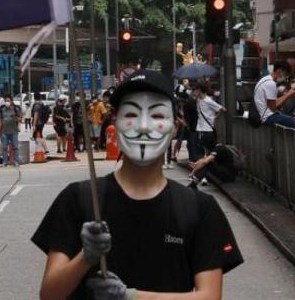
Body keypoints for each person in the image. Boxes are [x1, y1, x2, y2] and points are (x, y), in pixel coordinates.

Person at [33, 71, 243, 300]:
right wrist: (86, 256)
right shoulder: (79, 198)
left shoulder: (199, 208)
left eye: (157, 116)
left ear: (175, 126)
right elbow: (50, 295)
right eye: (131, 114)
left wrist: (132, 297)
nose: (144, 127)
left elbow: (210, 296)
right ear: (115, 123)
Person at [193, 83, 225, 156]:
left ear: (199, 90)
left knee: (206, 152)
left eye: (195, 90)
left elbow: (222, 109)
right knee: (201, 151)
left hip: (207, 130)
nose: (194, 92)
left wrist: (216, 117)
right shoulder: (198, 100)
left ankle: (208, 166)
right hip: (200, 129)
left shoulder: (208, 101)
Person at [0, 95, 22, 167]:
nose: (6, 102)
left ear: (11, 101)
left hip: (14, 131)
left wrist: (14, 117)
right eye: (5, 101)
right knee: (4, 147)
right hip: (4, 131)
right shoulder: (2, 109)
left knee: (15, 147)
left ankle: (16, 162)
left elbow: (20, 119)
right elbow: (0, 120)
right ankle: (5, 162)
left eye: (8, 101)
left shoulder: (15, 109)